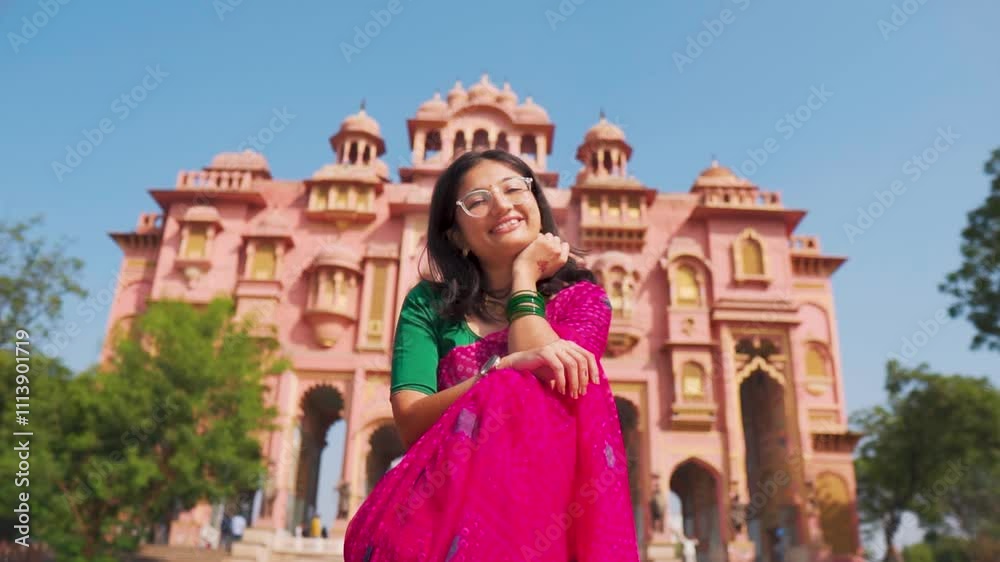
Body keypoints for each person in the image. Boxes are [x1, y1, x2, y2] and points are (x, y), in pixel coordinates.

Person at [344, 150, 638, 561]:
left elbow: (553, 376)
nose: (502, 204)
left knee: (550, 374)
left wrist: (523, 280)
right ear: (457, 236)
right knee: (515, 378)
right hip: (445, 518)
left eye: (515, 188)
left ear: (536, 202)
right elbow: (410, 421)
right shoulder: (428, 305)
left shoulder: (583, 300)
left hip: (549, 517)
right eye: (479, 200)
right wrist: (493, 371)